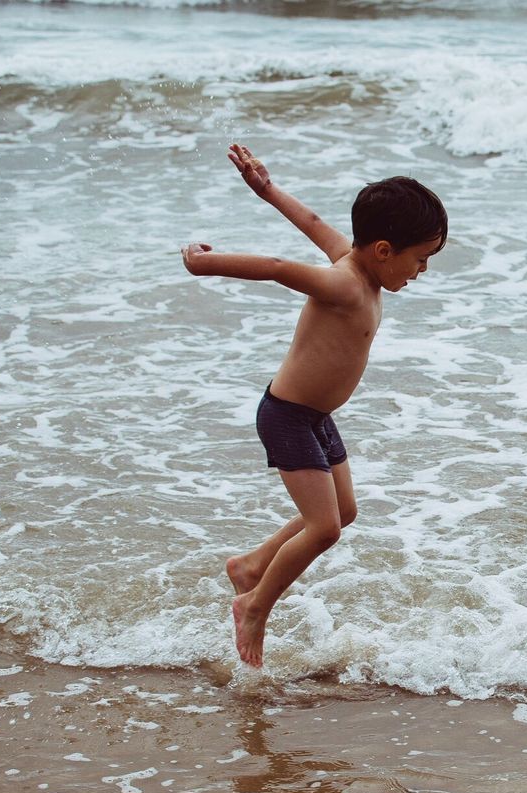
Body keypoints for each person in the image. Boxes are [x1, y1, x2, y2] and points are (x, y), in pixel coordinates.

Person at [181, 144, 447, 668]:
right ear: (385, 250)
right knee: (323, 526)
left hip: (315, 417)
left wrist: (267, 189)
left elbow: (313, 221)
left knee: (342, 513)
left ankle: (252, 564)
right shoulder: (342, 283)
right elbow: (279, 267)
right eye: (420, 259)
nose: (421, 271)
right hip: (286, 417)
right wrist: (202, 264)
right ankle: (254, 606)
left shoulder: (361, 265)